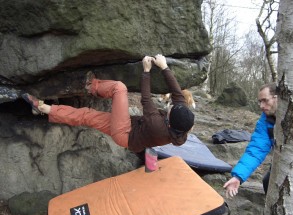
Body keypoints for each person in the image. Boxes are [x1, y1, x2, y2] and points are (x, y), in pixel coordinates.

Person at [21, 54, 195, 153]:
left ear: (170, 122)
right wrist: (164, 67)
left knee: (119, 88)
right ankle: (44, 108)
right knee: (86, 116)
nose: (171, 105)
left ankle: (91, 85)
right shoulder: (181, 122)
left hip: (124, 133)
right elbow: (177, 93)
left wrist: (147, 71)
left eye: (171, 109)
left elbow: (146, 100)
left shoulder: (158, 126)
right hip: (130, 130)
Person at [223, 83, 277, 197]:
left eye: (265, 100)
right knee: (268, 181)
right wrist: (238, 176)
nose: (261, 105)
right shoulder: (265, 121)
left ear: (277, 98)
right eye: (260, 101)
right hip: (283, 161)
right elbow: (256, 149)